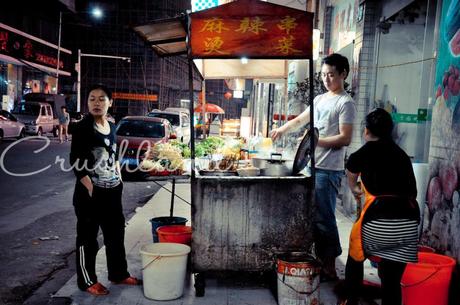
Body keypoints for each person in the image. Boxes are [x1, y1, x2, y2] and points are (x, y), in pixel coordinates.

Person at [270, 53, 356, 281]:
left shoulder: (345, 102)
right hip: (313, 166)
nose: (327, 79)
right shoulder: (320, 99)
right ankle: (322, 257)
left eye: (331, 75)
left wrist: (315, 142)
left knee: (325, 217)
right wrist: (282, 129)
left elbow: (345, 138)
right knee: (315, 215)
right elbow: (301, 120)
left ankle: (330, 264)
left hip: (329, 169)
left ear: (343, 74)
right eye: (324, 75)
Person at [340, 108, 420, 305]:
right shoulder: (402, 155)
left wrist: (353, 188)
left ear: (366, 131)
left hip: (376, 222)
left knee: (355, 255)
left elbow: (351, 169)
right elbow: (413, 192)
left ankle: (351, 299)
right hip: (408, 225)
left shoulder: (363, 152)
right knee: (392, 280)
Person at [69, 84, 141, 296]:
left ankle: (118, 274)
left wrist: (119, 178)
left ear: (111, 102)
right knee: (87, 239)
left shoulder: (111, 126)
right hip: (91, 194)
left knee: (116, 234)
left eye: (102, 99)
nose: (97, 103)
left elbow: (113, 154)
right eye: (92, 99)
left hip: (113, 189)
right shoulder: (82, 127)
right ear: (87, 102)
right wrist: (91, 188)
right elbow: (75, 161)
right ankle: (87, 281)